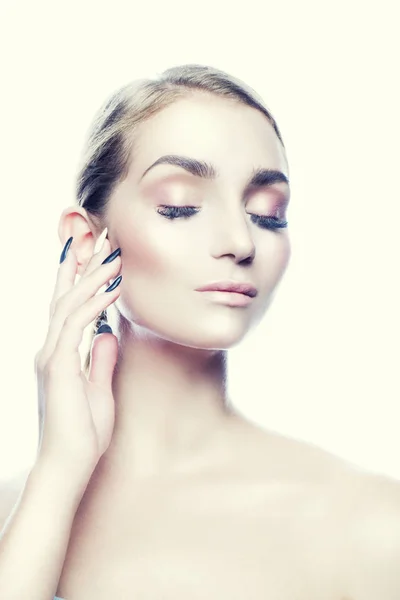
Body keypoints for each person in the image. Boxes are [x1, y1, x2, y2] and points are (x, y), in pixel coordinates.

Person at [0, 63, 399, 600]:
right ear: (89, 239)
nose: (240, 240)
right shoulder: (17, 512)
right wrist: (56, 475)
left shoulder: (370, 525)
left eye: (269, 214)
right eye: (180, 206)